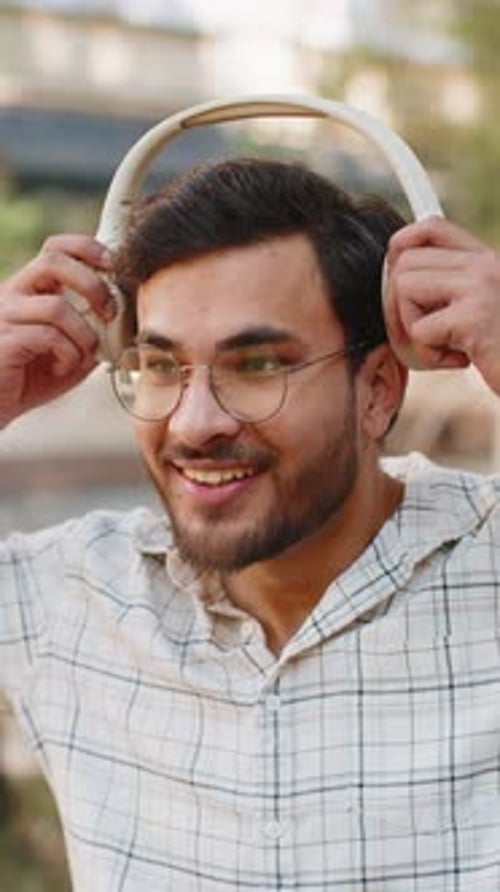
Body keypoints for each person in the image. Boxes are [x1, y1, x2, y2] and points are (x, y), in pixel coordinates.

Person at [1, 157, 500, 891]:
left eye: (258, 363)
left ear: (379, 391)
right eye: (161, 366)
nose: (195, 423)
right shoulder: (68, 601)